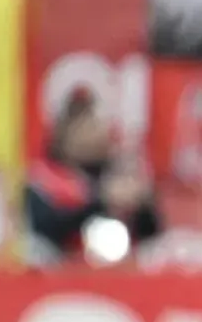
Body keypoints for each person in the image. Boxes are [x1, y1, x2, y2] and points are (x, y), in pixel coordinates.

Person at [25, 91, 162, 264]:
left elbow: (150, 233)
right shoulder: (43, 178)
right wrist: (102, 200)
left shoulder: (118, 173)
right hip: (61, 266)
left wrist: (142, 202)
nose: (93, 133)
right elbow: (47, 226)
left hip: (122, 267)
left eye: (95, 124)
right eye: (83, 126)